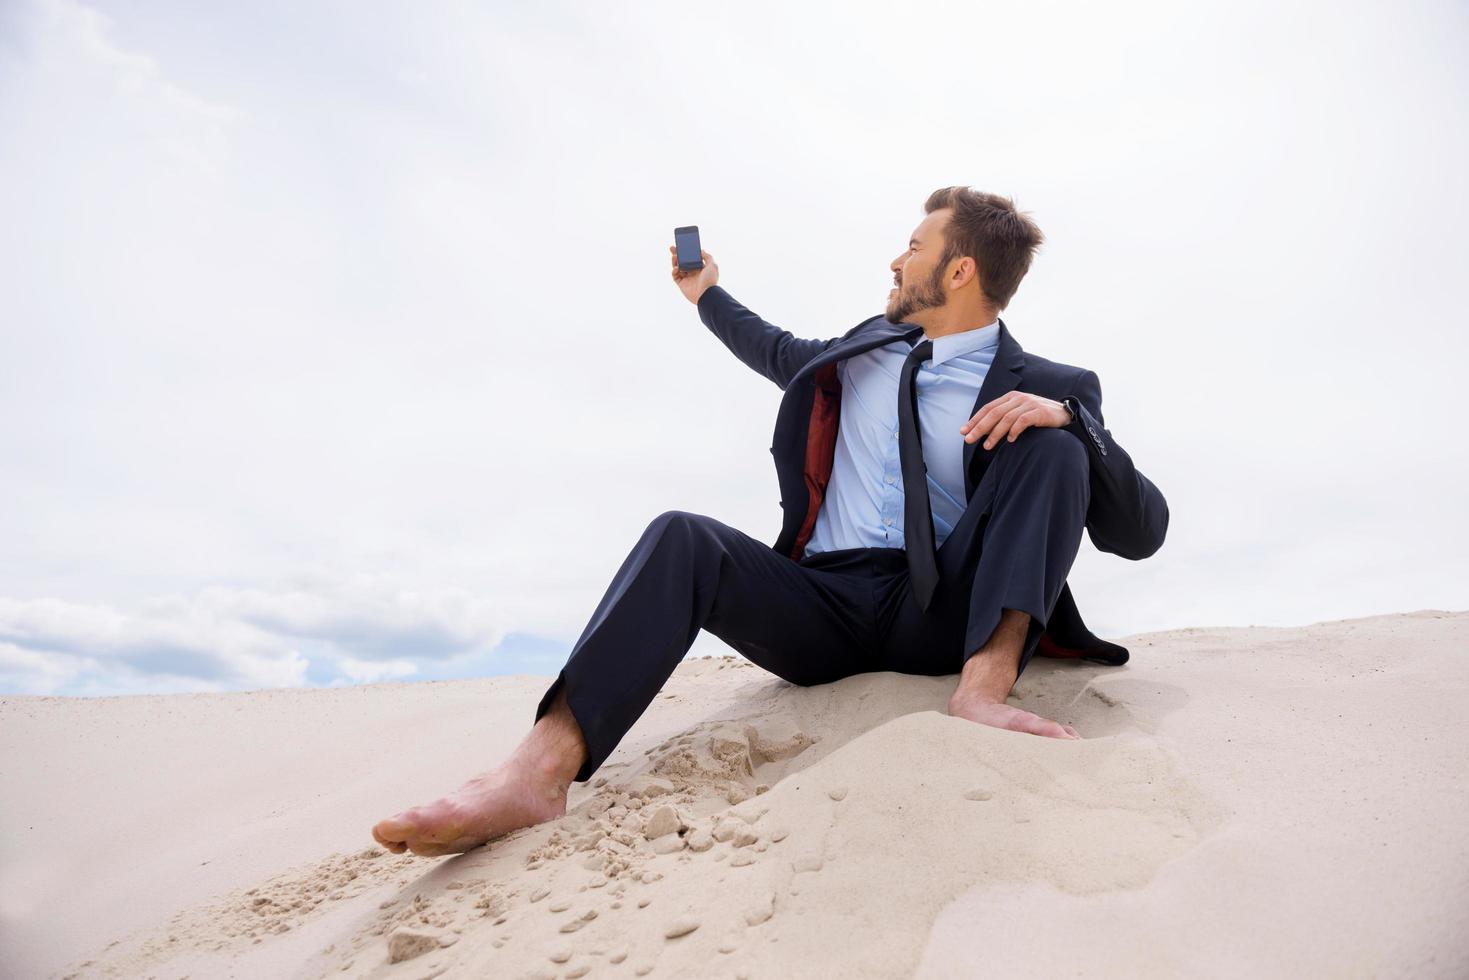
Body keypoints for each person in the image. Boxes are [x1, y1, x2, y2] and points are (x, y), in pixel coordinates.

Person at [372, 187, 1169, 857]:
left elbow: (1140, 532)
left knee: (1054, 450)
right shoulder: (863, 350)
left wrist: (1070, 419)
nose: (894, 261)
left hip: (947, 615)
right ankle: (532, 776)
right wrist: (705, 293)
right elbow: (773, 347)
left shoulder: (1052, 385)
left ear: (958, 269)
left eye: (913, 245)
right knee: (682, 534)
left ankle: (982, 693)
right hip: (821, 607)